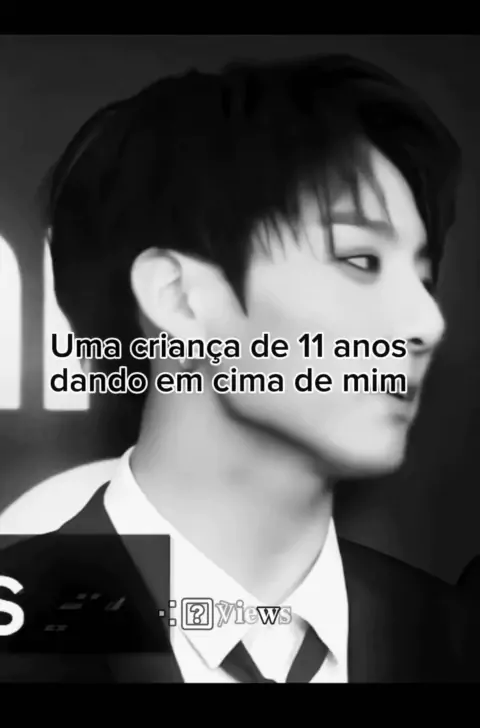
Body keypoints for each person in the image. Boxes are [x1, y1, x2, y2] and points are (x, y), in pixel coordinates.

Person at [0, 53, 477, 682]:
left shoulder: (454, 640)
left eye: (423, 277)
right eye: (360, 260)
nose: (427, 323)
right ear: (178, 297)